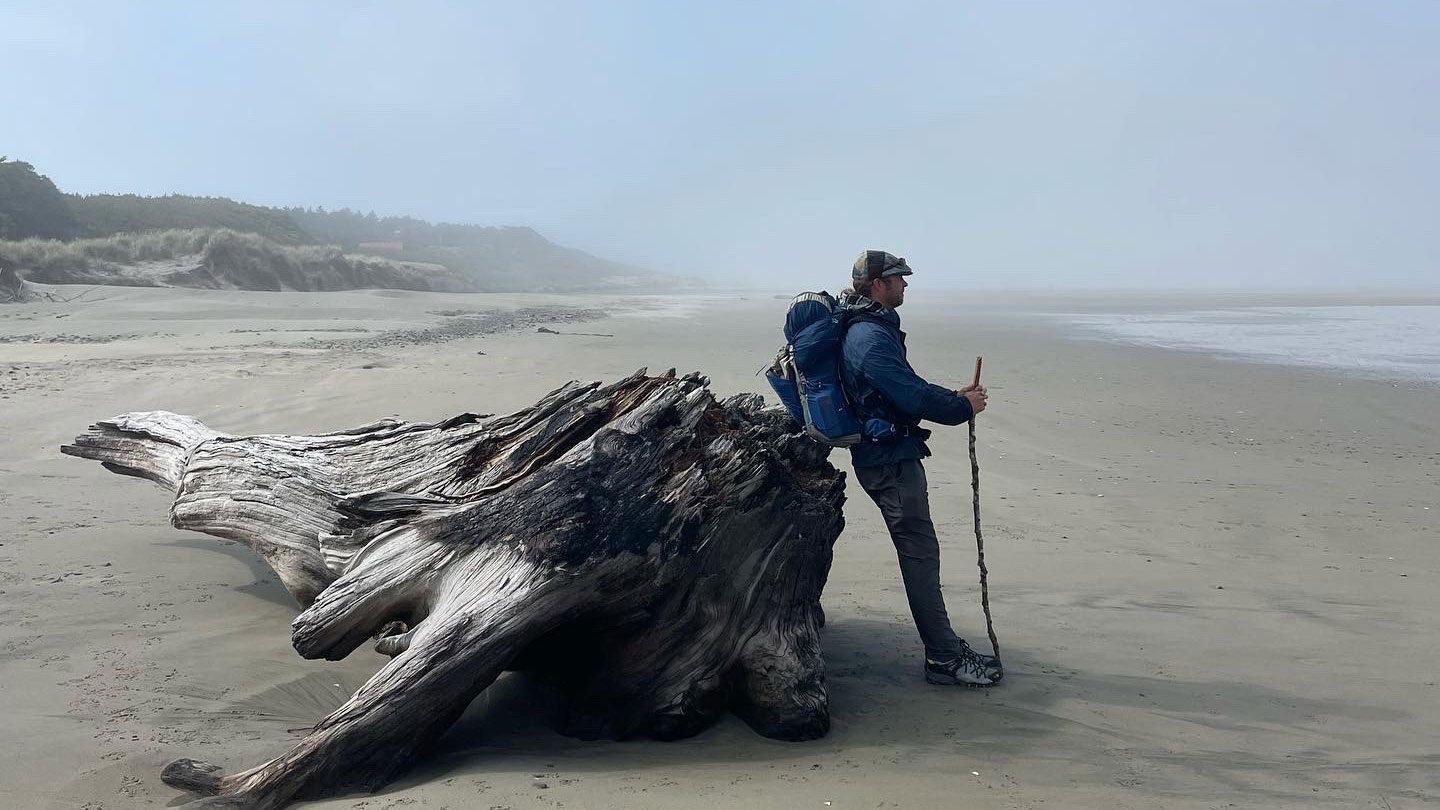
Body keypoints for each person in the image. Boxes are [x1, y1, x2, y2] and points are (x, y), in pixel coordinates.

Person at [839, 249, 1002, 687]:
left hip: (889, 452)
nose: (906, 284)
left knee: (920, 552)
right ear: (877, 285)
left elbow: (902, 388)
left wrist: (954, 398)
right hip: (888, 459)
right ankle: (944, 659)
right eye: (898, 278)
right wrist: (959, 408)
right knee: (920, 554)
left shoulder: (869, 330)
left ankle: (945, 650)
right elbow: (909, 396)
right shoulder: (869, 337)